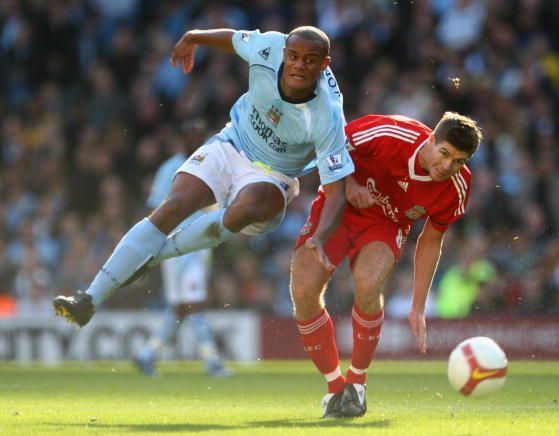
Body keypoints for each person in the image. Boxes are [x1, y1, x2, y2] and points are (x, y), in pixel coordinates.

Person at [53, 26, 354, 327]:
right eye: (294, 56)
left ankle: (153, 258)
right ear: (285, 53)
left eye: (310, 60)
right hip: (232, 143)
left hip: (273, 175)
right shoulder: (268, 47)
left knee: (247, 207)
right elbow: (234, 40)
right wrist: (194, 36)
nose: (299, 65)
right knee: (173, 206)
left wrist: (320, 237)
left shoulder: (327, 115)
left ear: (324, 64)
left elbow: (336, 191)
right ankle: (88, 299)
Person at [290, 112, 482, 418]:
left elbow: (431, 241)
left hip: (385, 224)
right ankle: (335, 388)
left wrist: (418, 306)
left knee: (368, 282)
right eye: (444, 153)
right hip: (337, 204)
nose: (447, 167)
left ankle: (357, 384)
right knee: (302, 291)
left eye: (458, 161)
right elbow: (329, 144)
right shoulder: (389, 133)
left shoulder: (458, 187)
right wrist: (349, 182)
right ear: (430, 140)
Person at [133, 120, 232, 378]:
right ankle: (212, 361)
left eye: (199, 135)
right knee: (194, 304)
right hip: (178, 250)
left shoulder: (210, 163)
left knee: (180, 308)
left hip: (200, 247)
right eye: (190, 136)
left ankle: (147, 354)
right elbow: (156, 208)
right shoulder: (170, 169)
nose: (195, 140)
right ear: (180, 140)